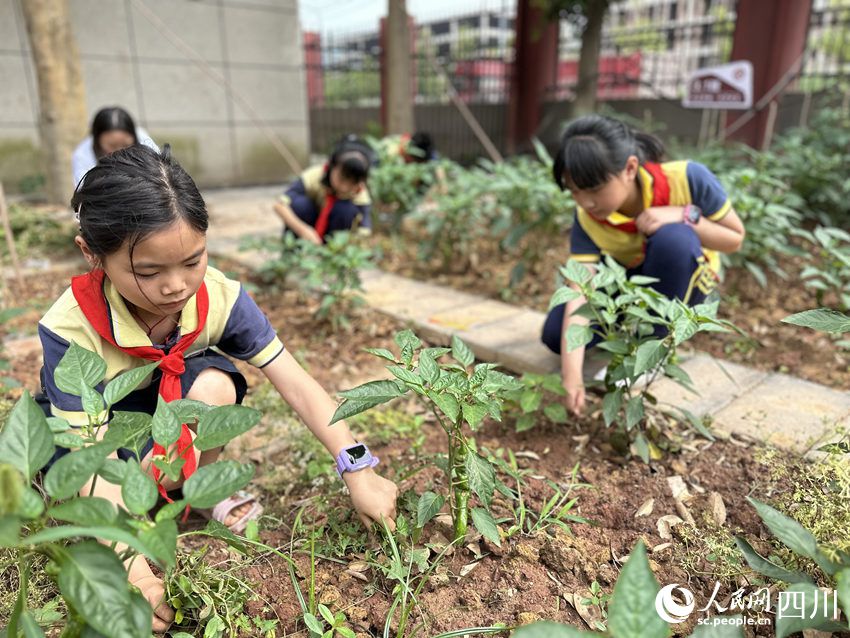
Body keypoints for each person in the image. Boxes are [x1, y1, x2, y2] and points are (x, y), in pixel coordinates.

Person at [38, 145, 398, 633]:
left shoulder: (219, 297)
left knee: (214, 383)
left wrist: (358, 466)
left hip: (167, 408)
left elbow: (295, 381)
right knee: (95, 491)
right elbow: (87, 453)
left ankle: (193, 499)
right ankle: (139, 515)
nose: (177, 286)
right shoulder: (71, 326)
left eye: (193, 260)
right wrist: (129, 567)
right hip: (100, 432)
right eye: (148, 272)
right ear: (91, 254)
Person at [541, 114, 745, 417]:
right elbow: (580, 291)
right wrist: (571, 379)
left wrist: (683, 215)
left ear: (630, 168)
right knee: (556, 336)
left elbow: (735, 239)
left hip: (688, 275)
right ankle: (632, 328)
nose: (585, 202)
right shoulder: (587, 219)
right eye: (574, 191)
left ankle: (652, 350)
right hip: (630, 280)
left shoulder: (687, 178)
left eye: (594, 189)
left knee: (673, 238)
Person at [273, 137, 373, 245]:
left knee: (345, 210)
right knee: (300, 204)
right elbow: (279, 205)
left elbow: (365, 231)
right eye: (341, 179)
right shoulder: (314, 176)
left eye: (352, 183)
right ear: (332, 166)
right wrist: (303, 230)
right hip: (307, 230)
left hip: (334, 240)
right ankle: (293, 252)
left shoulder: (360, 196)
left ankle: (330, 255)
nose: (344, 188)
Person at [71, 106, 159, 186]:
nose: (119, 151)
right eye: (111, 145)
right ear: (97, 140)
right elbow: (84, 189)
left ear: (133, 136)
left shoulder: (143, 139)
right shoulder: (82, 156)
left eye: (125, 145)